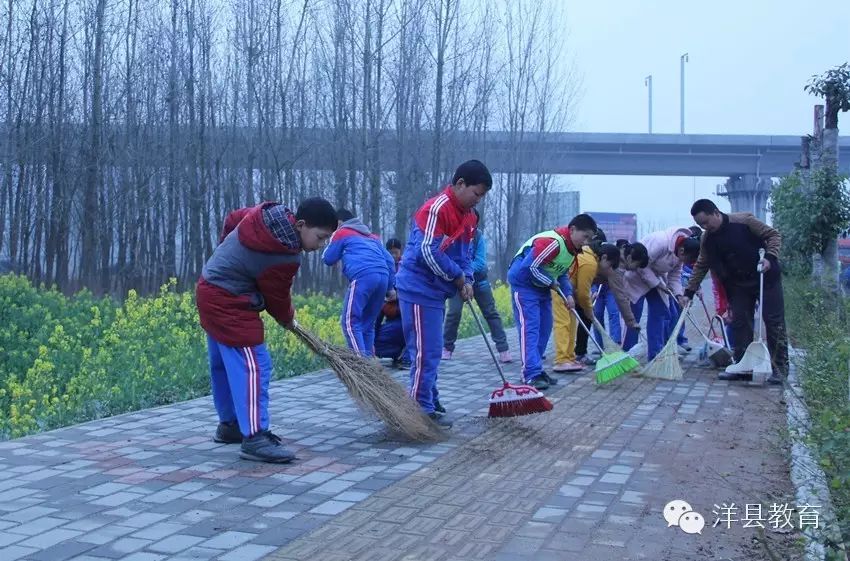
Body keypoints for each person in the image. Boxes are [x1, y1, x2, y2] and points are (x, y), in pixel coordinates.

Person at [196, 198, 337, 462]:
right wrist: (288, 319)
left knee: (224, 364)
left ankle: (231, 426)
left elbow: (232, 217)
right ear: (301, 225)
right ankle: (255, 437)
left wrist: (226, 251)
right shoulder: (284, 254)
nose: (321, 246)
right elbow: (277, 298)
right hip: (229, 300)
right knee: (253, 365)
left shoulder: (266, 214)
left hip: (209, 286)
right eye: (320, 238)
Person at [395, 160, 493, 426]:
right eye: (477, 193)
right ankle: (418, 409)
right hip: (417, 288)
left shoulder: (470, 217)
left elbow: (466, 254)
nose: (478, 200)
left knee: (433, 349)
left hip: (437, 291)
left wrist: (468, 278)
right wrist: (458, 277)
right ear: (460, 184)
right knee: (424, 352)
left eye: (482, 196)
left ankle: (428, 397)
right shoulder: (436, 209)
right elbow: (428, 252)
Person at [679, 199, 789, 384]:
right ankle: (741, 365)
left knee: (773, 321)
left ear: (715, 212)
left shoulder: (744, 221)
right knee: (740, 323)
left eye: (706, 222)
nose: (705, 227)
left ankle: (780, 368)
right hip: (738, 285)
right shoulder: (707, 238)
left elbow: (773, 235)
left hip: (765, 276)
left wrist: (770, 257)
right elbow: (702, 264)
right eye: (700, 225)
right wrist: (689, 292)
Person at [508, 214, 598, 390]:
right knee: (530, 328)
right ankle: (530, 373)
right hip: (524, 285)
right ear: (572, 230)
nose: (586, 242)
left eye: (590, 238)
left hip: (541, 287)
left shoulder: (573, 250)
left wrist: (568, 294)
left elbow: (562, 273)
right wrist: (551, 282)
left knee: (545, 328)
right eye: (584, 236)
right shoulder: (553, 242)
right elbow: (530, 267)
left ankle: (537, 369)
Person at [322, 209, 396, 357]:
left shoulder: (341, 232)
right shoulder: (373, 237)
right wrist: (390, 287)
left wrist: (332, 238)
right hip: (382, 277)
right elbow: (389, 261)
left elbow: (328, 258)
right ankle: (370, 367)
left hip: (363, 276)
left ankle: (362, 369)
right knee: (367, 325)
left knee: (349, 322)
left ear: (339, 223)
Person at [442, 209, 511, 363]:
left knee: (491, 313)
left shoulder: (478, 236)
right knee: (454, 313)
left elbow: (480, 263)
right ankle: (447, 347)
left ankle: (503, 348)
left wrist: (465, 272)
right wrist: (460, 276)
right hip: (457, 282)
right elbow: (447, 258)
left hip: (479, 281)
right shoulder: (454, 234)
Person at [622, 227, 701, 361]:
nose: (685, 263)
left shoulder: (680, 256)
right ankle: (626, 354)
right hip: (636, 278)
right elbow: (642, 265)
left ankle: (655, 354)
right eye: (687, 259)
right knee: (632, 317)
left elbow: (675, 277)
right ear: (682, 250)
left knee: (661, 313)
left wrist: (679, 295)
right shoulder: (660, 241)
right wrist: (658, 284)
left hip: (657, 281)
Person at [552, 238, 622, 372]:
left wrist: (585, 307)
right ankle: (561, 360)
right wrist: (589, 311)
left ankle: (570, 358)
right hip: (560, 290)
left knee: (571, 324)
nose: (608, 270)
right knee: (564, 324)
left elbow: (581, 292)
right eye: (610, 265)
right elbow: (584, 294)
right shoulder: (590, 263)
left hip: (569, 292)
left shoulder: (589, 257)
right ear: (604, 258)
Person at [592, 240, 647, 350]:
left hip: (587, 285)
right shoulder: (616, 266)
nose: (636, 269)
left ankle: (614, 343)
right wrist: (631, 321)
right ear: (630, 258)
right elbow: (620, 296)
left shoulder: (617, 259)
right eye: (637, 265)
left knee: (612, 314)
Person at [375, 238, 409, 367]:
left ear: (401, 251)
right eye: (391, 253)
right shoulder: (383, 266)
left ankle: (408, 354)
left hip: (405, 311)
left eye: (396, 252)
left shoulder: (406, 266)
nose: (394, 256)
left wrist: (398, 295)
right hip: (389, 310)